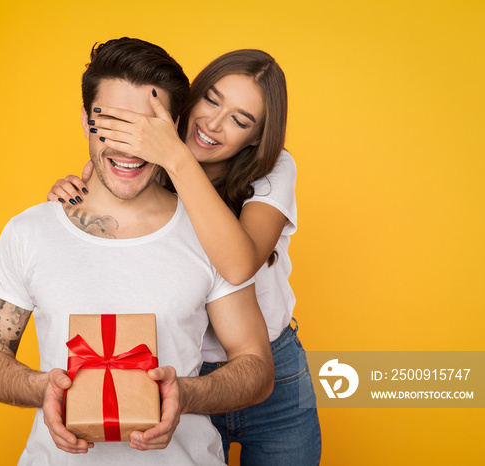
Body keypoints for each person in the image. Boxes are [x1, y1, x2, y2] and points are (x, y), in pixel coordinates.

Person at [0, 37, 275, 466]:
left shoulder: (212, 235)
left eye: (146, 128)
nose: (129, 146)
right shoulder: (29, 231)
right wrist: (45, 388)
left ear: (173, 130)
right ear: (84, 119)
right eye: (111, 121)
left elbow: (257, 367)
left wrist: (186, 393)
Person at [48, 49, 321, 465]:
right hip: (181, 373)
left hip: (273, 371)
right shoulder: (143, 162)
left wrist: (175, 156)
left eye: (240, 120)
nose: (213, 124)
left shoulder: (274, 168)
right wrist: (70, 195)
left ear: (255, 139)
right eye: (211, 100)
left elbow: (239, 264)